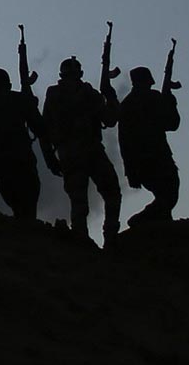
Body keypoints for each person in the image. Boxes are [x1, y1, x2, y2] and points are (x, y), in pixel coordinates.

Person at [42, 57, 122, 245]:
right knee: (107, 194)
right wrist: (110, 96)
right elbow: (110, 119)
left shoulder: (56, 95)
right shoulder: (87, 94)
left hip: (73, 153)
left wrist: (49, 159)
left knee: (81, 202)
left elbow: (43, 131)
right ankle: (107, 238)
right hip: (86, 151)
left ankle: (85, 240)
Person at [0, 67, 55, 220]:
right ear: (9, 85)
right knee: (28, 208)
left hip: (1, 165)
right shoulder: (19, 100)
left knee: (18, 207)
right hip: (23, 161)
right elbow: (41, 129)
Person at [117, 65, 181, 228]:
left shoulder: (127, 104)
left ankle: (161, 226)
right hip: (156, 158)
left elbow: (123, 141)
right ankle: (141, 220)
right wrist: (171, 102)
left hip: (146, 160)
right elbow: (172, 124)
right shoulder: (152, 98)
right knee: (168, 195)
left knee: (166, 195)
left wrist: (130, 170)